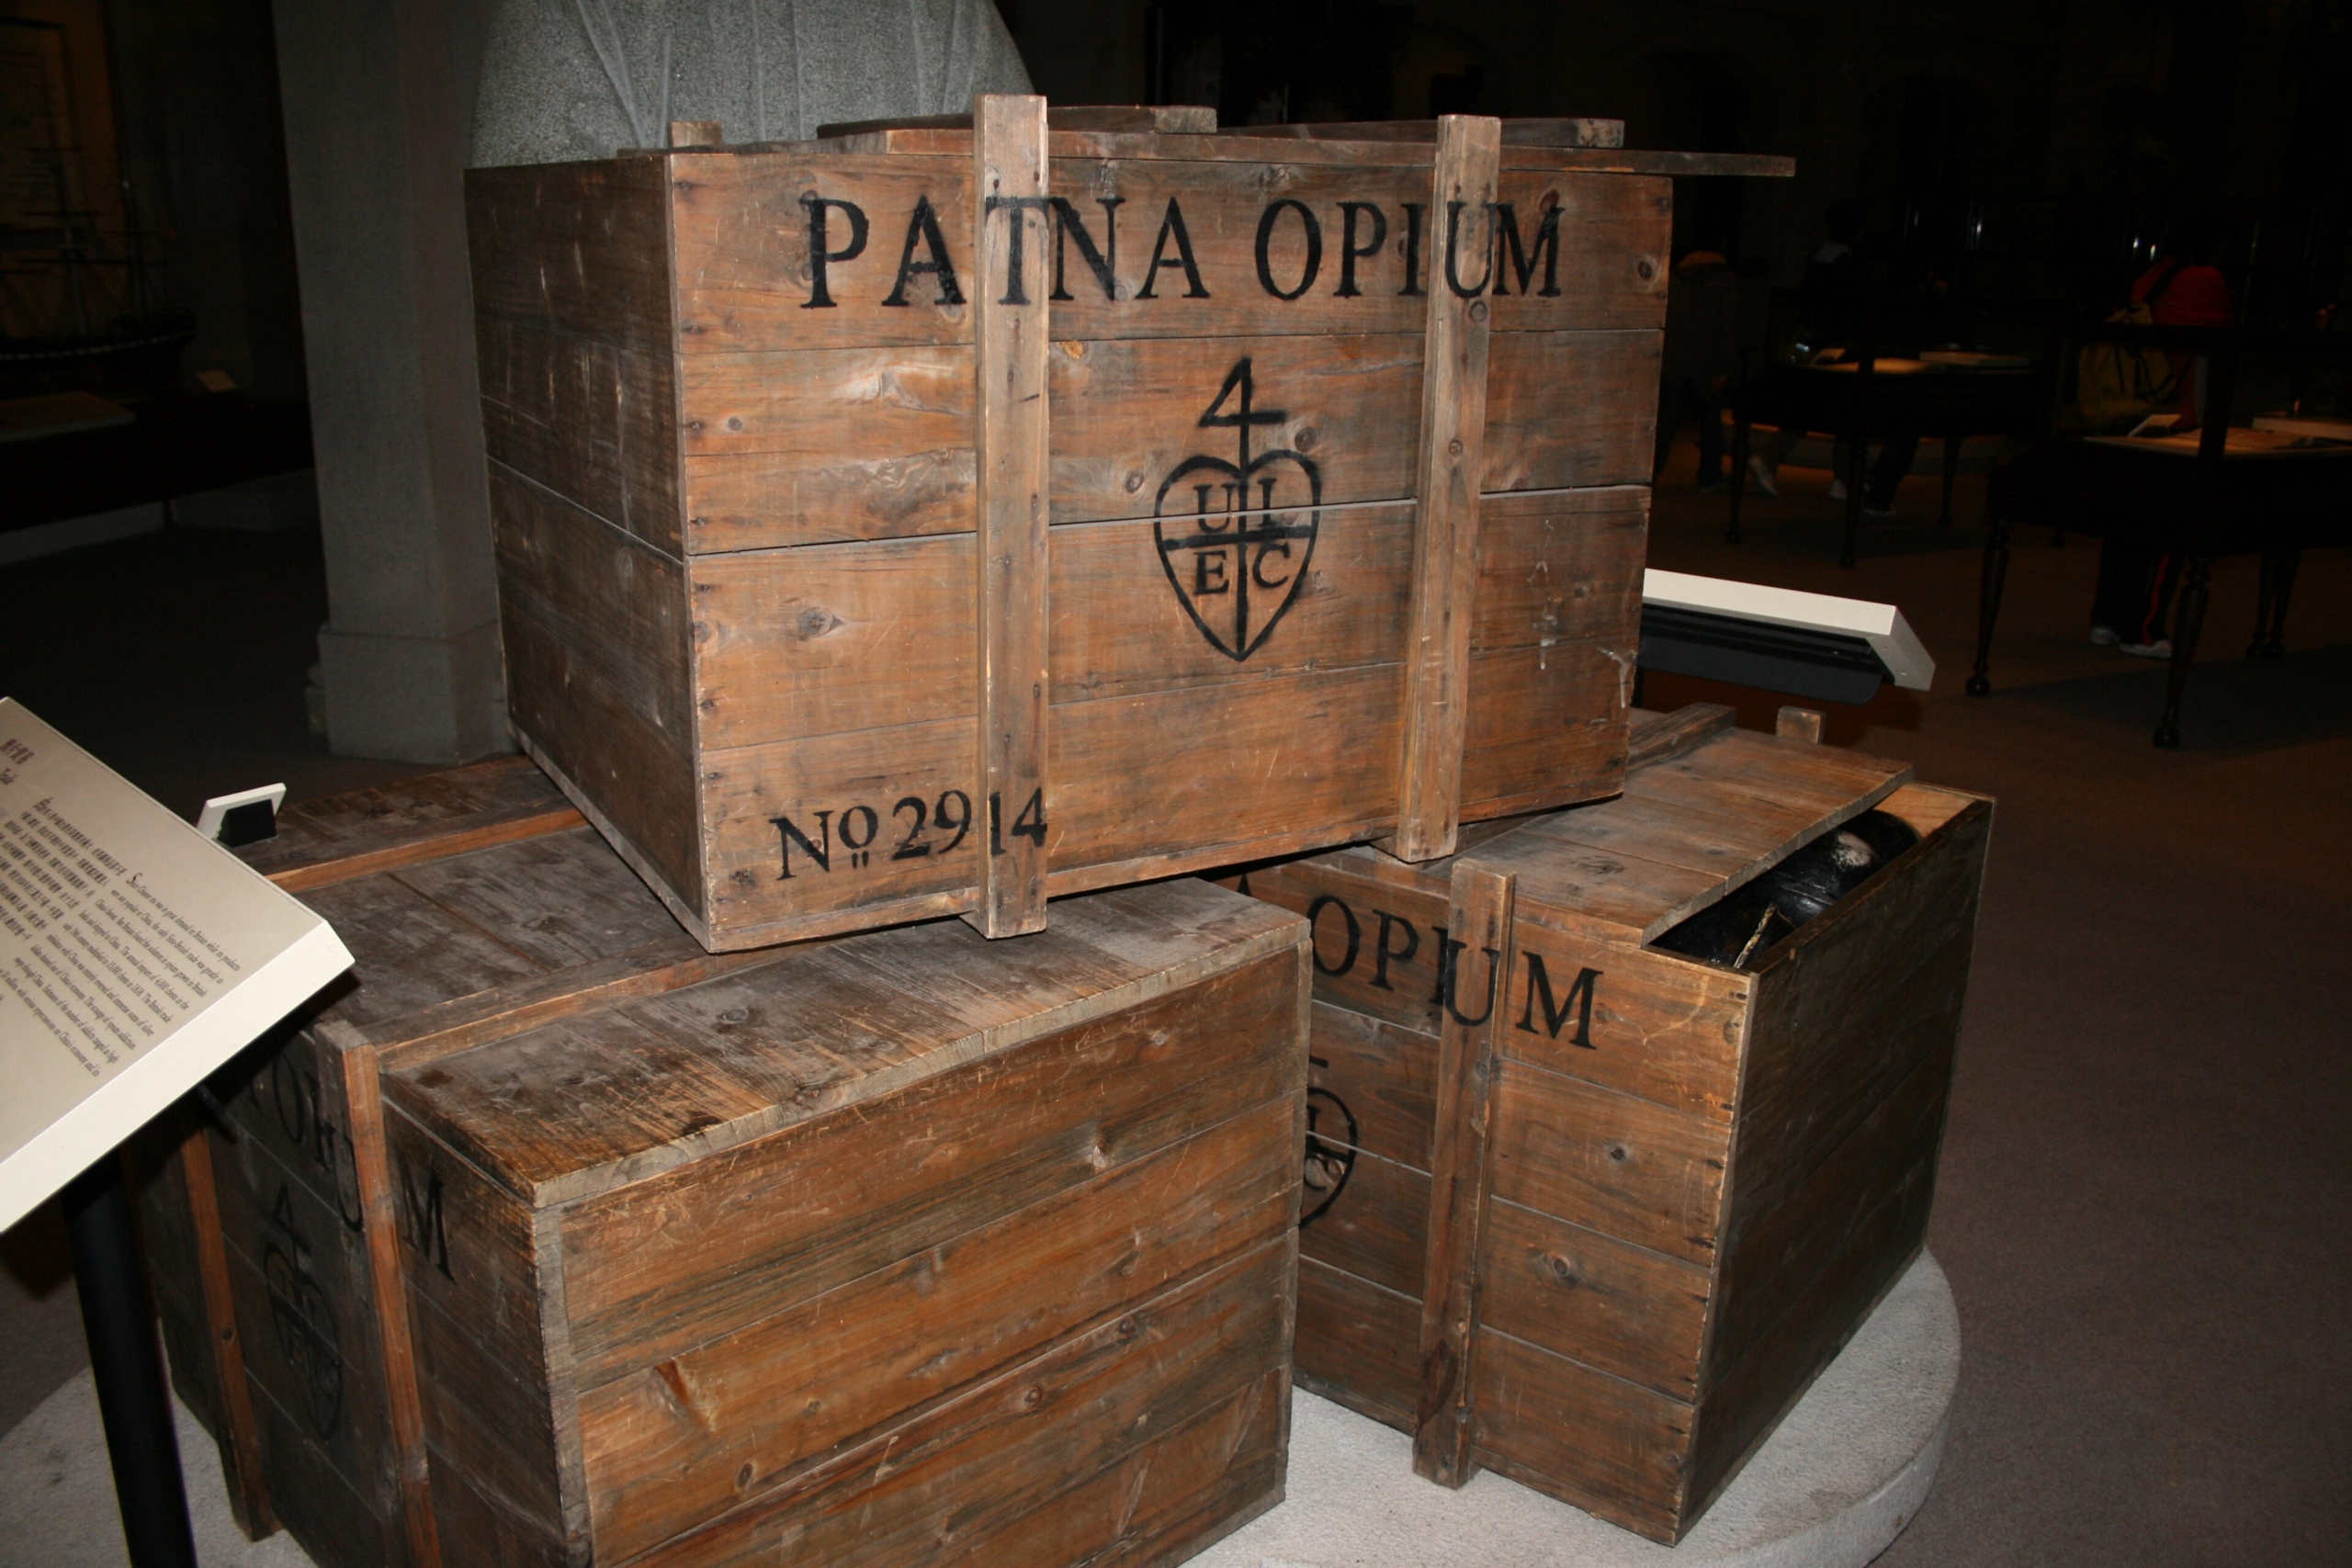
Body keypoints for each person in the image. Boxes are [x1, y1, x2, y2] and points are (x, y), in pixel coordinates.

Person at [2087, 220, 2236, 658]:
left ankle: (2107, 618)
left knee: (2127, 524)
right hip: (2180, 417)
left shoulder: (2150, 278)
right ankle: (2143, 628)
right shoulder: (2205, 280)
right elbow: (2219, 343)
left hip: (2135, 414)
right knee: (2169, 530)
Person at [1746, 198, 1919, 517]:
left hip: (1809, 339)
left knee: (1813, 406)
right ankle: (1813, 470)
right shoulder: (1848, 260)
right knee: (1829, 408)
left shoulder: (1819, 254)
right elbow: (1850, 306)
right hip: (1835, 344)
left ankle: (1838, 478)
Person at [1657, 250, 1741, 491]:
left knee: (1664, 422)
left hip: (1673, 361)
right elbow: (1728, 327)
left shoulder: (1671, 281)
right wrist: (1726, 366)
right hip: (1706, 362)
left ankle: (1651, 474)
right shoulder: (1724, 283)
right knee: (1710, 423)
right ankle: (1709, 477)